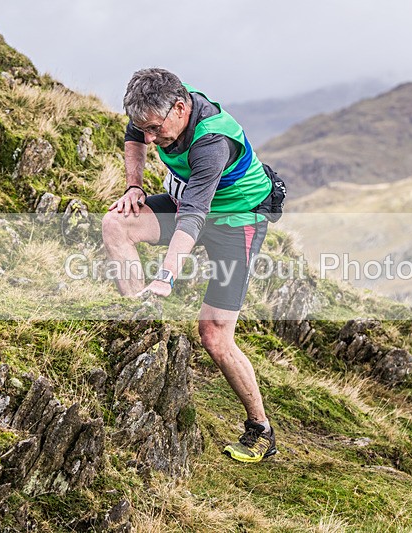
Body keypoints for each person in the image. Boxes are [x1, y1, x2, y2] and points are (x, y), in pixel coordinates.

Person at [102, 68, 277, 463]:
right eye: (142, 127)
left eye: (155, 129)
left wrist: (166, 277)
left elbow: (193, 219)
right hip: (192, 206)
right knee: (115, 223)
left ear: (180, 109)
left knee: (214, 334)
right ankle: (139, 318)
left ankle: (260, 430)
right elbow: (134, 136)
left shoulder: (212, 141)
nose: (149, 138)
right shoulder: (156, 109)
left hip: (236, 223)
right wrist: (134, 186)